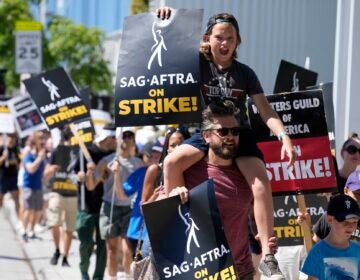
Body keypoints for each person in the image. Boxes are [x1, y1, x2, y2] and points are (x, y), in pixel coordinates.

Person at [156, 7, 295, 279]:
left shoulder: (245, 73)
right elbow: (167, 53)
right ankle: (174, 233)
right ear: (208, 38)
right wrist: (167, 17)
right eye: (219, 37)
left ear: (237, 42)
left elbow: (265, 110)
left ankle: (267, 255)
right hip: (207, 131)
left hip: (237, 132)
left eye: (230, 38)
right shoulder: (197, 64)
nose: (224, 43)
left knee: (260, 183)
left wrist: (284, 135)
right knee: (172, 161)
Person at [165, 101, 278, 279]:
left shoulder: (248, 175)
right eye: (223, 131)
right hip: (197, 272)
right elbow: (164, 218)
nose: (230, 136)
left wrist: (266, 242)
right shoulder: (186, 170)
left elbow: (255, 211)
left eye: (235, 131)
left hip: (240, 271)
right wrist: (172, 197)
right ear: (206, 136)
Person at [86, 129, 142, 280]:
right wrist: (90, 172)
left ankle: (126, 277)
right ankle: (112, 277)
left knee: (128, 250)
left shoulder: (139, 163)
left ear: (134, 142)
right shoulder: (107, 160)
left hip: (129, 209)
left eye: (130, 137)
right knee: (111, 250)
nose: (126, 140)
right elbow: (91, 185)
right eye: (123, 137)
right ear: (117, 140)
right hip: (110, 207)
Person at [75, 123, 117, 280]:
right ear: (109, 138)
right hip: (87, 205)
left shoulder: (115, 154)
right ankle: (84, 271)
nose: (118, 141)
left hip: (106, 205)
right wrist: (80, 176)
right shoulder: (86, 152)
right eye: (115, 139)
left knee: (103, 245)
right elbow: (71, 174)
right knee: (85, 243)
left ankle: (98, 277)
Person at [301, 194, 360, 279]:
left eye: (354, 221)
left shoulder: (358, 250)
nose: (350, 226)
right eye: (345, 221)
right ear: (330, 219)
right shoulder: (317, 251)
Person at [43, 127, 78, 267]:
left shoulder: (79, 152)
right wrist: (50, 171)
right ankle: (57, 250)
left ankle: (65, 256)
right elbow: (45, 175)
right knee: (54, 223)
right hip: (57, 192)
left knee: (69, 228)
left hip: (73, 195)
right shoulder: (57, 150)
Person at [141, 127, 190, 204]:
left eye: (181, 144)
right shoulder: (154, 170)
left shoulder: (194, 169)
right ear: (167, 149)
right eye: (173, 145)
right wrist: (155, 196)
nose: (177, 148)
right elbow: (142, 208)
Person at [20, 130, 47, 241]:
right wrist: (39, 158)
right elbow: (30, 169)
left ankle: (31, 231)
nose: (43, 141)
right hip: (29, 186)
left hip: (38, 186)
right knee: (28, 209)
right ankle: (24, 231)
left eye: (43, 138)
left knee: (37, 210)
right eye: (40, 138)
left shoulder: (43, 155)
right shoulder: (29, 155)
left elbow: (43, 173)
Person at [0, 133, 21, 217]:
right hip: (3, 177)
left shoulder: (16, 149)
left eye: (13, 137)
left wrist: (17, 162)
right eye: (9, 137)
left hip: (13, 177)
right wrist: (3, 158)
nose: (11, 139)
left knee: (16, 199)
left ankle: (19, 220)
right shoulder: (2, 149)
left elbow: (19, 163)